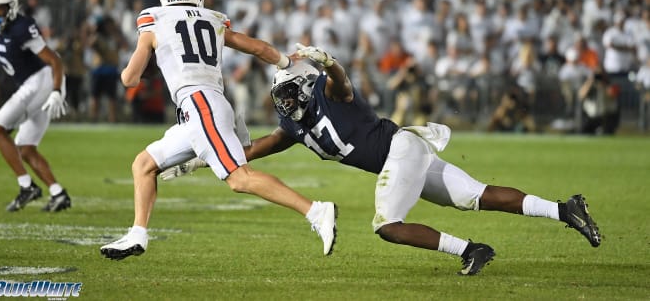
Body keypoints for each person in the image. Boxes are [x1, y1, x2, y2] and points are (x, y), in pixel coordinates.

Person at [161, 44, 602, 276]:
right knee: (477, 196)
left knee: (387, 225)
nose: (286, 99)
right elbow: (247, 151)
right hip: (404, 153)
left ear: (307, 82)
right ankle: (565, 209)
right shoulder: (293, 128)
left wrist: (329, 61)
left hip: (401, 149)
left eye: (291, 90)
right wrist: (198, 160)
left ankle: (471, 249)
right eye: (282, 94)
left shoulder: (329, 92)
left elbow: (341, 79)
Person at [99, 0, 337, 260]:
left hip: (199, 105)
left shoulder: (154, 20)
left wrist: (138, 64)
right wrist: (287, 61)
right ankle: (137, 234)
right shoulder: (213, 20)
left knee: (239, 178)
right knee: (144, 164)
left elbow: (129, 79)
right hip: (205, 105)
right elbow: (257, 47)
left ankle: (316, 211)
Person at [0, 0, 71, 212]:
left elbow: (54, 60)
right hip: (31, 84)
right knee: (25, 147)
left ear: (12, 7)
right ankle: (58, 193)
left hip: (42, 80)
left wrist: (56, 90)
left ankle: (27, 187)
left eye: (0, 9)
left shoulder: (22, 27)